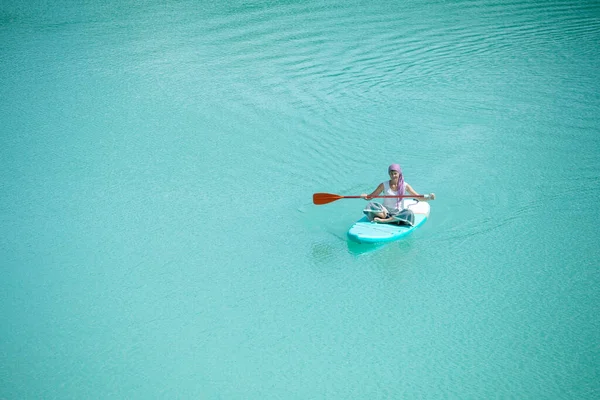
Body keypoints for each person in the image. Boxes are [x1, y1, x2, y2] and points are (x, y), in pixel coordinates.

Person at [360, 164, 435, 224]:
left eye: (395, 173)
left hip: (398, 213)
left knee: (409, 213)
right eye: (391, 174)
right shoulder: (383, 185)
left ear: (399, 174)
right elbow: (371, 197)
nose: (393, 176)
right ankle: (392, 220)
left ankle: (385, 221)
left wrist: (429, 197)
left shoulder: (405, 186)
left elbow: (418, 197)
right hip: (385, 212)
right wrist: (365, 196)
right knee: (370, 205)